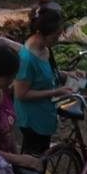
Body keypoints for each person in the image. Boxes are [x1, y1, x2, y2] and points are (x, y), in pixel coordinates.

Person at [14, 8, 73, 154]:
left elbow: (48, 73)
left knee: (42, 152)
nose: (58, 39)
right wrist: (56, 92)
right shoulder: (26, 59)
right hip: (32, 119)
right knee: (34, 159)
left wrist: (68, 74)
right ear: (40, 33)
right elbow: (21, 94)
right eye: (55, 36)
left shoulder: (45, 48)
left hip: (45, 111)